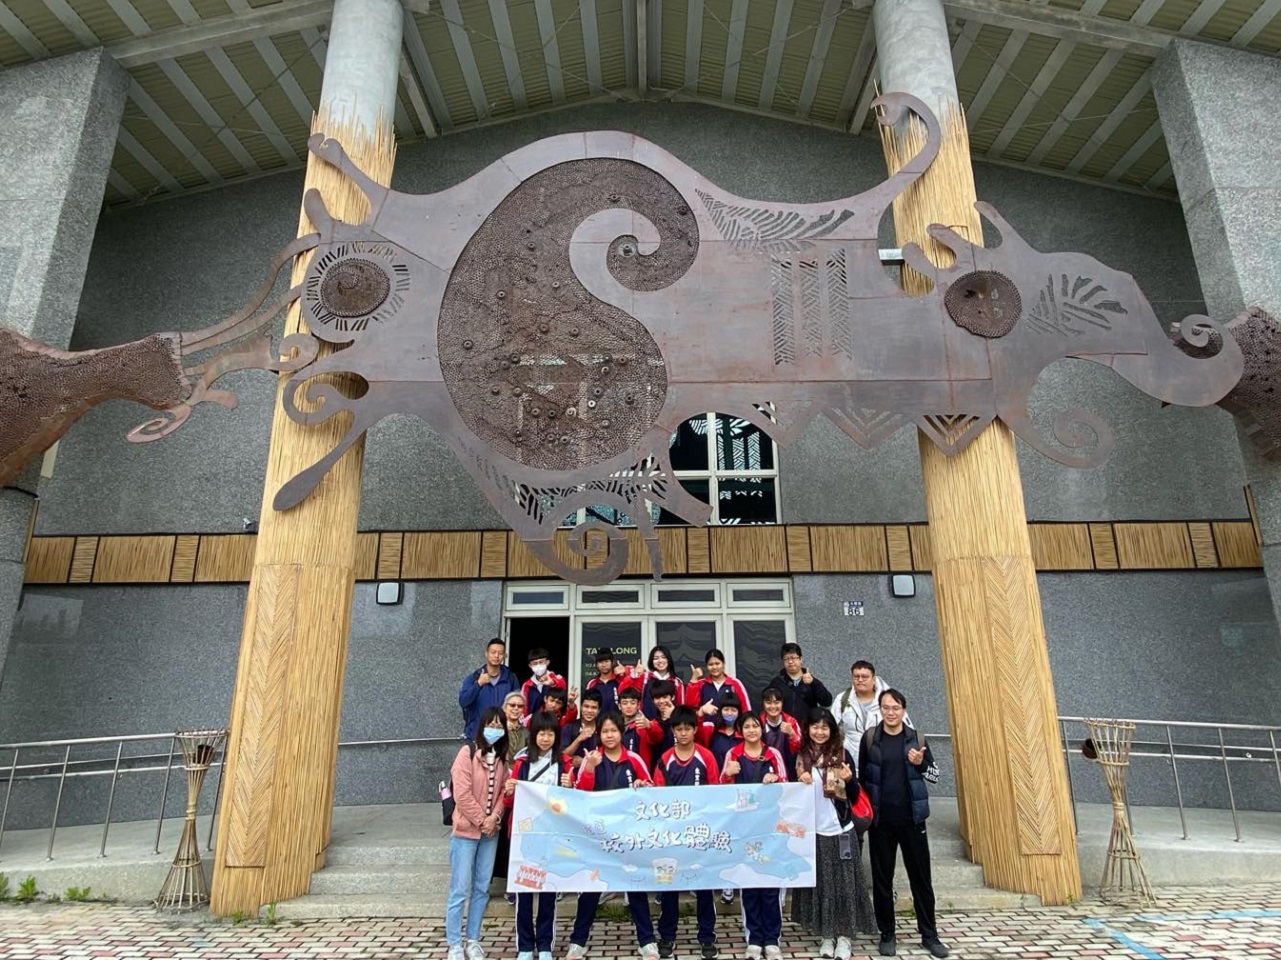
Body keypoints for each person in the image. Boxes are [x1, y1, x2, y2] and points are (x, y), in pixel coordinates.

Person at [858, 689, 947, 959]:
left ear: (904, 710)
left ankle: (929, 935)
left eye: (895, 707)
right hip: (881, 821)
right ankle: (887, 933)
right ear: (880, 710)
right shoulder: (871, 738)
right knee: (882, 879)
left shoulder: (916, 738)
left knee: (921, 879)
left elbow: (935, 776)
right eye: (886, 707)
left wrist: (921, 764)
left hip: (912, 819)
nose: (891, 712)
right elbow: (863, 778)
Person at [566, 712, 657, 960]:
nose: (609, 736)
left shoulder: (634, 759)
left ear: (621, 732)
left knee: (635, 888)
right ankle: (578, 941)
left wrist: (643, 786)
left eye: (613, 731)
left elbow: (650, 788)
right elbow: (579, 795)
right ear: (599, 734)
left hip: (628, 838)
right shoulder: (591, 758)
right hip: (597, 838)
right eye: (605, 731)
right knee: (590, 889)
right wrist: (591, 769)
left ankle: (646, 941)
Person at [790, 708, 875, 960]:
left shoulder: (842, 755)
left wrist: (850, 781)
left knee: (845, 885)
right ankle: (827, 935)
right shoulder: (801, 757)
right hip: (814, 832)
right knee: (823, 886)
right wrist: (799, 781)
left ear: (832, 730)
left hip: (840, 829)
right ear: (808, 729)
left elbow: (855, 796)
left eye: (824, 727)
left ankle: (845, 937)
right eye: (815, 726)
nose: (819, 731)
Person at [652, 706, 720, 959]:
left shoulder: (706, 757)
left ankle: (706, 937)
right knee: (669, 888)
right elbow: (656, 798)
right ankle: (667, 936)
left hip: (699, 835)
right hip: (671, 836)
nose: (683, 733)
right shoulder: (665, 759)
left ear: (695, 730)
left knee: (704, 887)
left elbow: (716, 792)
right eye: (678, 729)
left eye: (687, 729)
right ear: (673, 731)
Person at [720, 713, 788, 960]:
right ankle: (753, 939)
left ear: (761, 729)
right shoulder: (733, 755)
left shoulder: (773, 755)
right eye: (746, 726)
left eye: (755, 726)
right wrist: (728, 774)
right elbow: (721, 793)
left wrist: (776, 779)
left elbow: (787, 786)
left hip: (770, 831)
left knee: (770, 885)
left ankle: (772, 940)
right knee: (749, 885)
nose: (751, 730)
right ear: (740, 730)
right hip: (743, 832)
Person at [446, 707, 511, 960]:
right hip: (465, 832)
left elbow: (503, 795)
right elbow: (461, 794)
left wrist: (494, 818)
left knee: (482, 888)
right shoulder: (467, 753)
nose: (495, 729)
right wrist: (482, 819)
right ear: (482, 726)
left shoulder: (503, 759)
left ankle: (473, 940)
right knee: (459, 889)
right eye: (491, 724)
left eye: (499, 725)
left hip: (489, 834)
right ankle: (454, 943)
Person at [504, 712, 569, 960]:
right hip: (524, 837)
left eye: (550, 733)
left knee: (548, 891)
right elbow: (509, 801)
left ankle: (544, 945)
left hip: (552, 837)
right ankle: (524, 946)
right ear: (534, 735)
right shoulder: (522, 763)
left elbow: (570, 801)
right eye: (541, 733)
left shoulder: (563, 763)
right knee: (524, 891)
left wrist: (569, 786)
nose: (545, 738)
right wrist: (509, 791)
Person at [836, 661, 909, 771]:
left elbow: (907, 729)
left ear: (873, 679)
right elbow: (832, 729)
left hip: (884, 765)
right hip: (851, 765)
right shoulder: (842, 699)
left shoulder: (889, 700)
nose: (860, 680)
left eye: (864, 677)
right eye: (856, 676)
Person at [459, 638, 521, 739]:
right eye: (493, 652)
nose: (496, 656)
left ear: (504, 656)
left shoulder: (510, 678)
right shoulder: (474, 677)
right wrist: (478, 684)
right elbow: (463, 702)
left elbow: (519, 705)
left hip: (503, 736)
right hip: (477, 736)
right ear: (486, 654)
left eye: (500, 653)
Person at [769, 642, 833, 720]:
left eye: (793, 658)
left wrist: (813, 683)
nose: (790, 662)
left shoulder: (812, 681)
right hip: (785, 728)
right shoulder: (777, 682)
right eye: (786, 659)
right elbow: (768, 705)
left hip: (807, 728)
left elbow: (827, 701)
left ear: (800, 659)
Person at [621, 645, 685, 719]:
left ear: (669, 660)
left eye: (663, 657)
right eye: (656, 658)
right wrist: (634, 675)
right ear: (651, 661)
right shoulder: (644, 677)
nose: (660, 661)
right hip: (646, 724)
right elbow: (623, 691)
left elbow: (681, 707)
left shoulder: (677, 682)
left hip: (670, 725)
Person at [686, 649, 752, 717]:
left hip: (730, 727)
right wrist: (694, 679)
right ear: (706, 666)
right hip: (706, 727)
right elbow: (690, 706)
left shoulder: (735, 684)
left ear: (723, 664)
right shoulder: (701, 684)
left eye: (717, 663)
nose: (714, 667)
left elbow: (746, 710)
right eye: (710, 664)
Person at [759, 685, 802, 773]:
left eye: (777, 702)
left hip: (788, 768)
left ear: (782, 703)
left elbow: (801, 747)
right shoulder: (758, 723)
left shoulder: (791, 721)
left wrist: (792, 734)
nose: (773, 706)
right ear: (763, 704)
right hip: (765, 768)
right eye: (768, 702)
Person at [618, 685, 663, 768]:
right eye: (625, 703)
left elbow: (658, 736)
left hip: (640, 774)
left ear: (638, 705)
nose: (629, 706)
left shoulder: (644, 724)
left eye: (632, 703)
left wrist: (649, 726)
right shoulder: (616, 725)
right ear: (619, 706)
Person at [699, 691, 743, 768]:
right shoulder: (711, 729)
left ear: (739, 713)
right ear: (720, 711)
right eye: (726, 709)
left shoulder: (744, 733)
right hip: (715, 778)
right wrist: (701, 712)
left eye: (733, 710)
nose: (729, 713)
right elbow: (695, 735)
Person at [561, 688, 601, 769]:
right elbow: (562, 756)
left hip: (595, 777)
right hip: (570, 778)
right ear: (581, 707)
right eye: (586, 706)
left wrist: (584, 762)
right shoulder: (569, 728)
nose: (589, 710)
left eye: (594, 708)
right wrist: (579, 739)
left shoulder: (602, 729)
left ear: (599, 710)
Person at [522, 647, 567, 718]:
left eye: (541, 662)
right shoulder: (527, 685)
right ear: (530, 666)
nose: (538, 665)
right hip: (533, 723)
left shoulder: (557, 678)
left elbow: (562, 687)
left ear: (547, 662)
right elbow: (524, 708)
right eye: (535, 663)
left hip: (555, 720)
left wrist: (552, 683)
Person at [586, 647, 625, 713]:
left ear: (612, 662)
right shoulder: (592, 684)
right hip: (598, 722)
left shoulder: (620, 681)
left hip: (618, 722)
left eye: (606, 661)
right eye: (600, 662)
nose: (604, 665)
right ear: (596, 664)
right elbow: (587, 706)